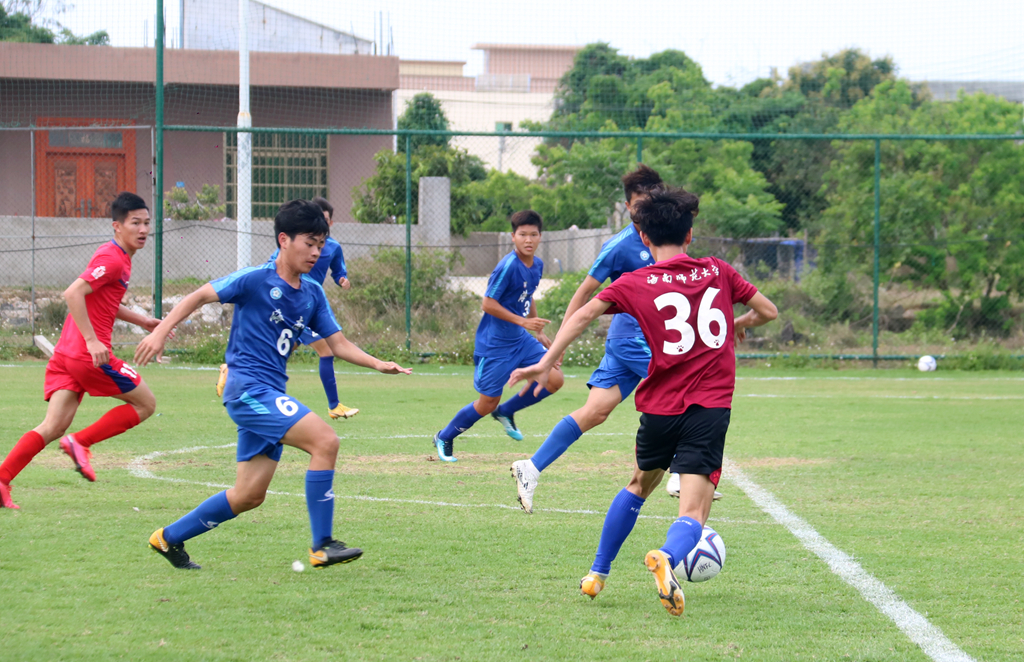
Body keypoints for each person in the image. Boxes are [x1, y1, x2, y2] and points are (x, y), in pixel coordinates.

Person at [510, 188, 778, 616]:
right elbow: (768, 310)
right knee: (693, 508)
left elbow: (581, 315)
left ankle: (597, 574)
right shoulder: (719, 271)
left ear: (643, 238)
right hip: (707, 409)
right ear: (690, 235)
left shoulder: (634, 282)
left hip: (658, 408)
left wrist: (545, 362)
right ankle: (667, 557)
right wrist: (739, 321)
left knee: (639, 485)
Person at [135, 199, 411, 570]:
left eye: (321, 244)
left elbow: (338, 344)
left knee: (249, 495)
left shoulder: (313, 293)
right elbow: (200, 295)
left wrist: (378, 363)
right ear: (284, 240)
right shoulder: (255, 280)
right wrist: (162, 333)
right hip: (248, 390)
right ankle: (322, 544)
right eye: (309, 243)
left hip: (270, 394)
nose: (317, 252)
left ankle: (167, 539)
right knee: (326, 441)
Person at [510, 164, 694, 513]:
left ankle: (530, 468)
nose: (646, 205)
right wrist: (560, 343)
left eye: (652, 198)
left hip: (647, 339)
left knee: (595, 411)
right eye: (640, 199)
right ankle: (681, 472)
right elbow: (583, 296)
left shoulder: (668, 233)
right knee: (682, 386)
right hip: (633, 340)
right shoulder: (619, 247)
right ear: (628, 205)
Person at [0, 192, 161, 510]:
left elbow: (100, 299)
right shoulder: (113, 259)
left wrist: (141, 320)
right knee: (146, 404)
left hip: (66, 355)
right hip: (87, 356)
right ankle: (80, 442)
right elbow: (73, 293)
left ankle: (2, 480)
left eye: (146, 223)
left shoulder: (117, 257)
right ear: (117, 226)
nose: (142, 230)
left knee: (52, 426)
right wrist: (91, 340)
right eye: (135, 223)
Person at [432, 210, 564, 463]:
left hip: (521, 340)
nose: (528, 239)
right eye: (522, 234)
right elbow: (488, 303)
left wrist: (538, 332)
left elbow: (528, 296)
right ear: (512, 237)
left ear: (540, 237)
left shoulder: (536, 265)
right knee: (487, 402)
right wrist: (523, 322)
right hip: (494, 345)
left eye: (533, 235)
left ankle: (507, 411)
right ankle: (445, 436)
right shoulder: (507, 266)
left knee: (555, 379)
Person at [215, 196, 359, 420]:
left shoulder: (333, 248)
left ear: (330, 224)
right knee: (327, 350)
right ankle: (333, 405)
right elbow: (275, 268)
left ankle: (235, 372)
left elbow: (339, 271)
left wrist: (343, 280)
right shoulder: (289, 249)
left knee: (285, 349)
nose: (315, 251)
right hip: (289, 306)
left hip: (307, 306)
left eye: (326, 220)